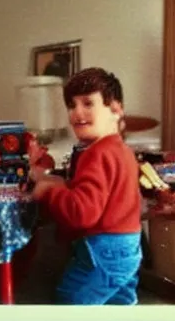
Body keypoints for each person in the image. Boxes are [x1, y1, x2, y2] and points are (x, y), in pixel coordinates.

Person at [30, 67, 142, 305]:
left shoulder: (97, 154)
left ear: (116, 109)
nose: (77, 113)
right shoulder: (119, 149)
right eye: (72, 105)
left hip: (103, 250)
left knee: (72, 300)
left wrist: (49, 191)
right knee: (119, 303)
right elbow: (101, 194)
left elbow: (82, 213)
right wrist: (64, 184)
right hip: (127, 245)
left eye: (88, 103)